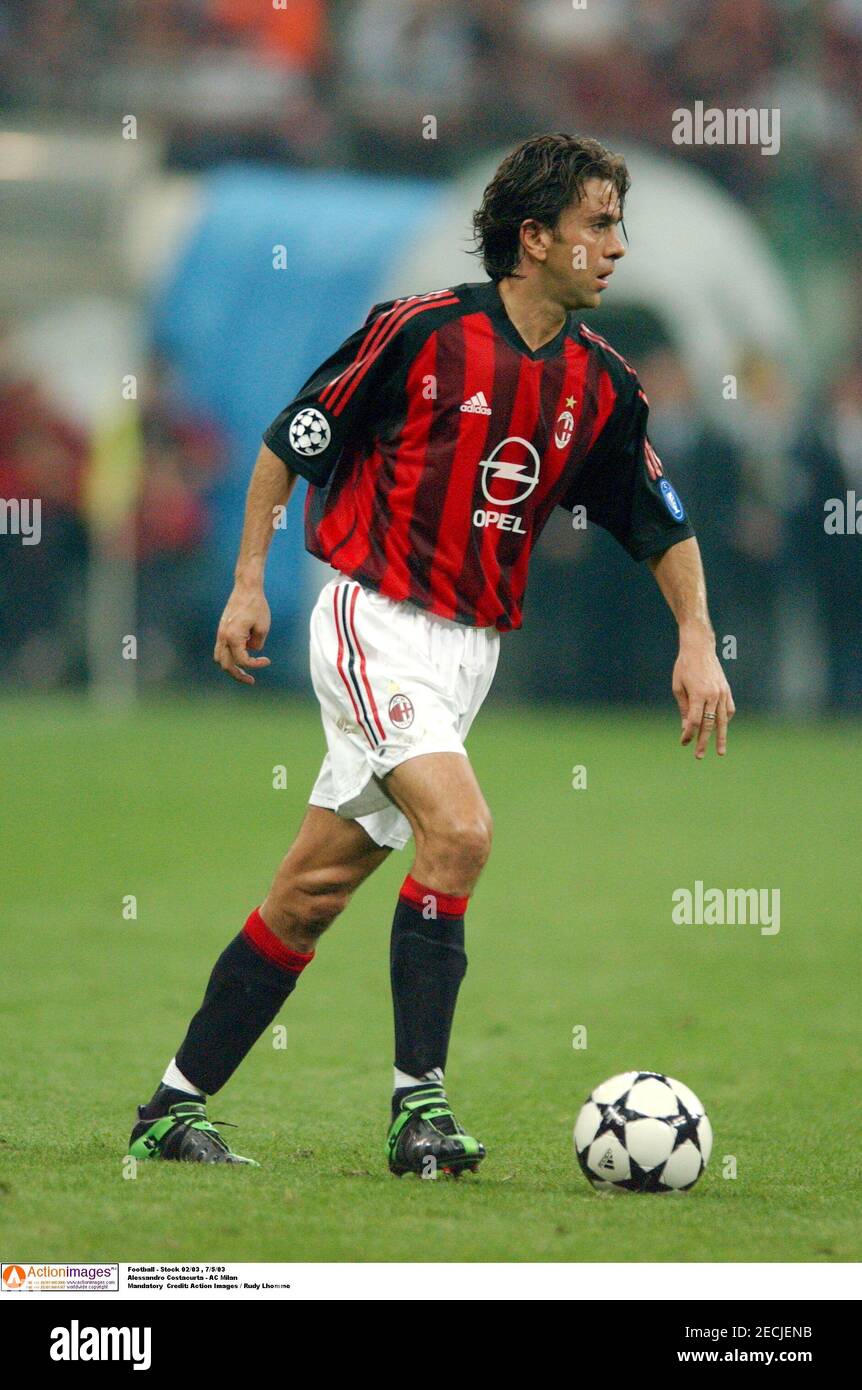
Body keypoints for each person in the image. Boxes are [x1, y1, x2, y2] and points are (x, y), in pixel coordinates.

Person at [127, 133, 734, 1174]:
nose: (617, 247)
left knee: (312, 889)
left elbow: (657, 523)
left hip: (466, 655)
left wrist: (695, 638)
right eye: (597, 225)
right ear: (532, 238)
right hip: (372, 617)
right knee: (459, 831)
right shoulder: (422, 332)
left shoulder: (599, 382)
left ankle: (171, 1108)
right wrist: (242, 583)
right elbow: (291, 440)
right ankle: (421, 1113)